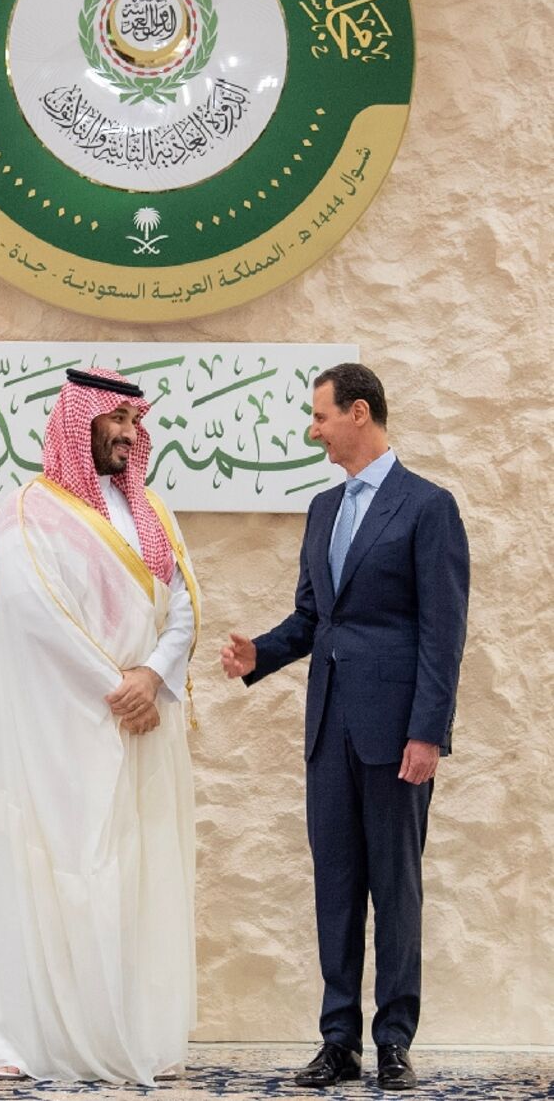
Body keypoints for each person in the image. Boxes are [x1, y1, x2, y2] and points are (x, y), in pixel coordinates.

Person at [221, 363, 469, 1092]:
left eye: (321, 416)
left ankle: (393, 1041)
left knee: (396, 889)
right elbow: (314, 619)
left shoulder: (429, 507)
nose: (313, 429)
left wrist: (428, 732)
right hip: (328, 731)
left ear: (359, 413)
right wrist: (258, 654)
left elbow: (442, 633)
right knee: (336, 888)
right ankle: (339, 1043)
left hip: (397, 737)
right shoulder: (324, 510)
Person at [0, 367, 200, 1084]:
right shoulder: (26, 512)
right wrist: (118, 686)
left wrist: (154, 676)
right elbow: (32, 613)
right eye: (115, 423)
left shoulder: (153, 513)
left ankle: (139, 1036)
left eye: (134, 424)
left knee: (140, 877)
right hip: (66, 729)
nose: (128, 435)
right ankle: (28, 1041)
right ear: (79, 424)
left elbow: (184, 606)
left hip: (141, 728)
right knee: (59, 869)